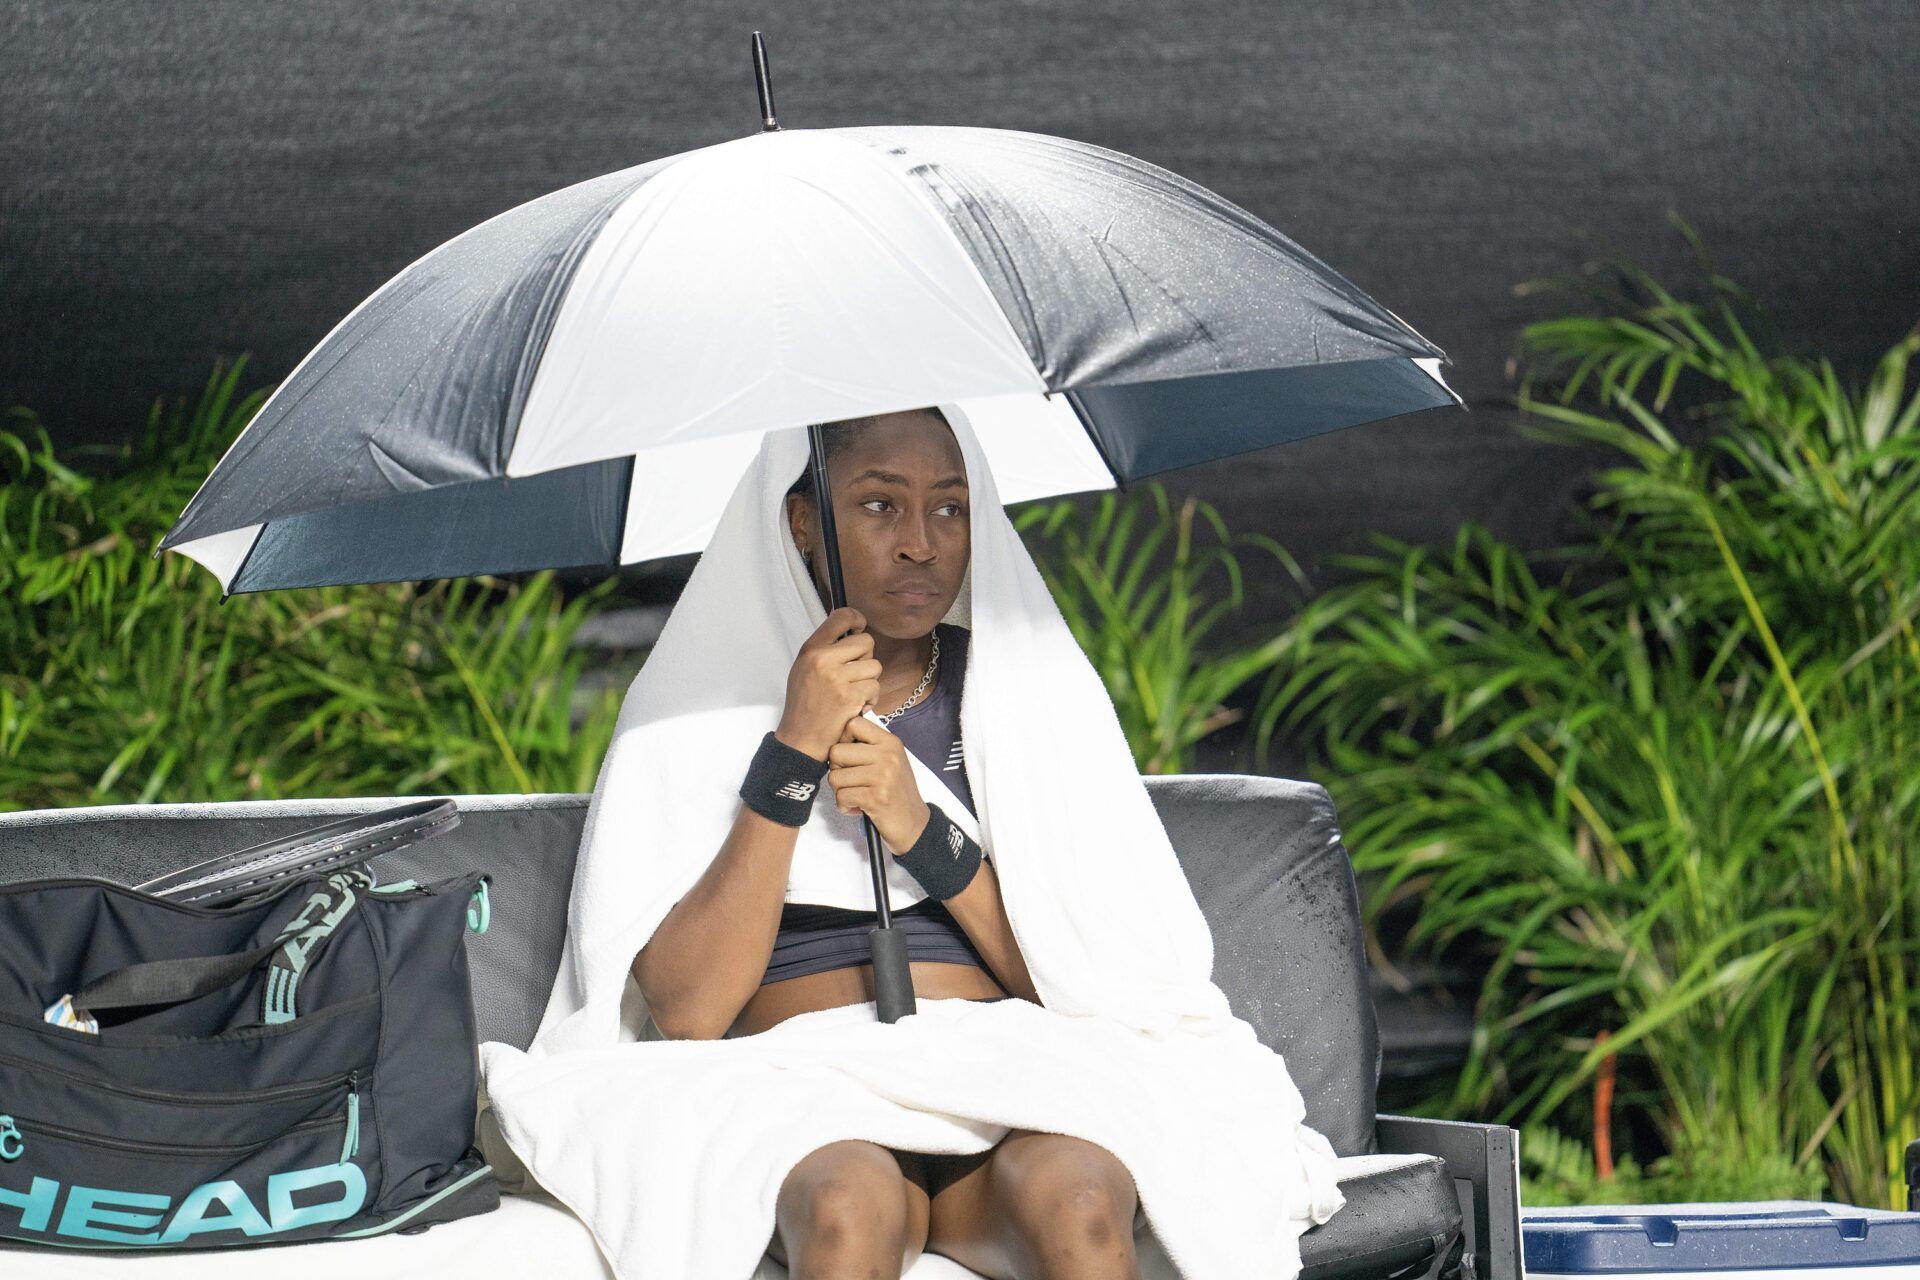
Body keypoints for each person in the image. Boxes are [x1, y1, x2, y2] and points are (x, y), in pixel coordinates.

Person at [631, 406, 1147, 1279]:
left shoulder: (1024, 691)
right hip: (804, 1086)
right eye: (879, 505)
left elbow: (1089, 986)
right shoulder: (696, 704)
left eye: (949, 508)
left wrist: (923, 831)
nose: (921, 544)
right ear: (803, 521)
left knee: (1082, 1207)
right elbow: (687, 1013)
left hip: (1005, 1072)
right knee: (845, 1213)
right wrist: (794, 750)